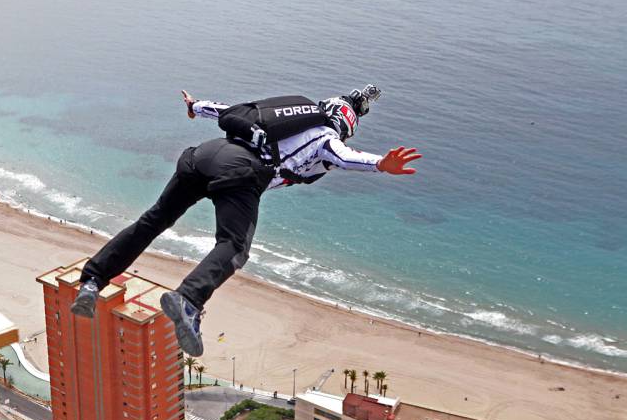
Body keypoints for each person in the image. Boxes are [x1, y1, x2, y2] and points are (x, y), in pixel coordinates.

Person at [71, 86, 421, 356]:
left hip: (202, 156)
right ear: (343, 126)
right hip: (239, 173)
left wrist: (195, 107)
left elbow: (223, 110)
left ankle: (92, 281)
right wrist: (380, 164)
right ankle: (188, 300)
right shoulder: (326, 137)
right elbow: (344, 157)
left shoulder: (282, 115)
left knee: (153, 221)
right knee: (233, 246)